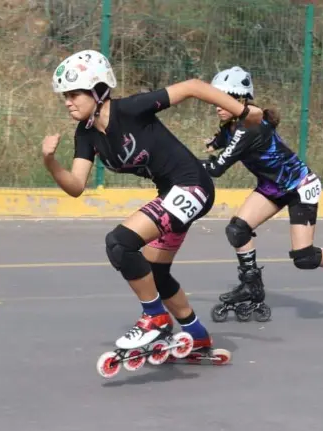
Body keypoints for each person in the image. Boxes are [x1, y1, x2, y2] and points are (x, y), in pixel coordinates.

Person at [42, 50, 263, 371]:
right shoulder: (86, 135)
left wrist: (244, 112)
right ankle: (197, 337)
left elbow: (191, 86)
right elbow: (76, 185)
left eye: (74, 94)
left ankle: (155, 317)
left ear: (98, 90)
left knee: (120, 243)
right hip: (172, 193)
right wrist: (50, 162)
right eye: (65, 96)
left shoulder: (129, 109)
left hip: (193, 186)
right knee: (155, 273)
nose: (67, 102)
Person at [200, 66, 323, 324]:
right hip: (272, 186)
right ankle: (252, 286)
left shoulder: (249, 129)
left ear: (240, 100)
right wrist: (215, 142)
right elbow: (224, 138)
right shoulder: (232, 125)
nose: (217, 105)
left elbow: (217, 168)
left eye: (223, 98)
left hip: (299, 187)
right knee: (237, 230)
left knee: (304, 258)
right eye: (215, 99)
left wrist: (183, 164)